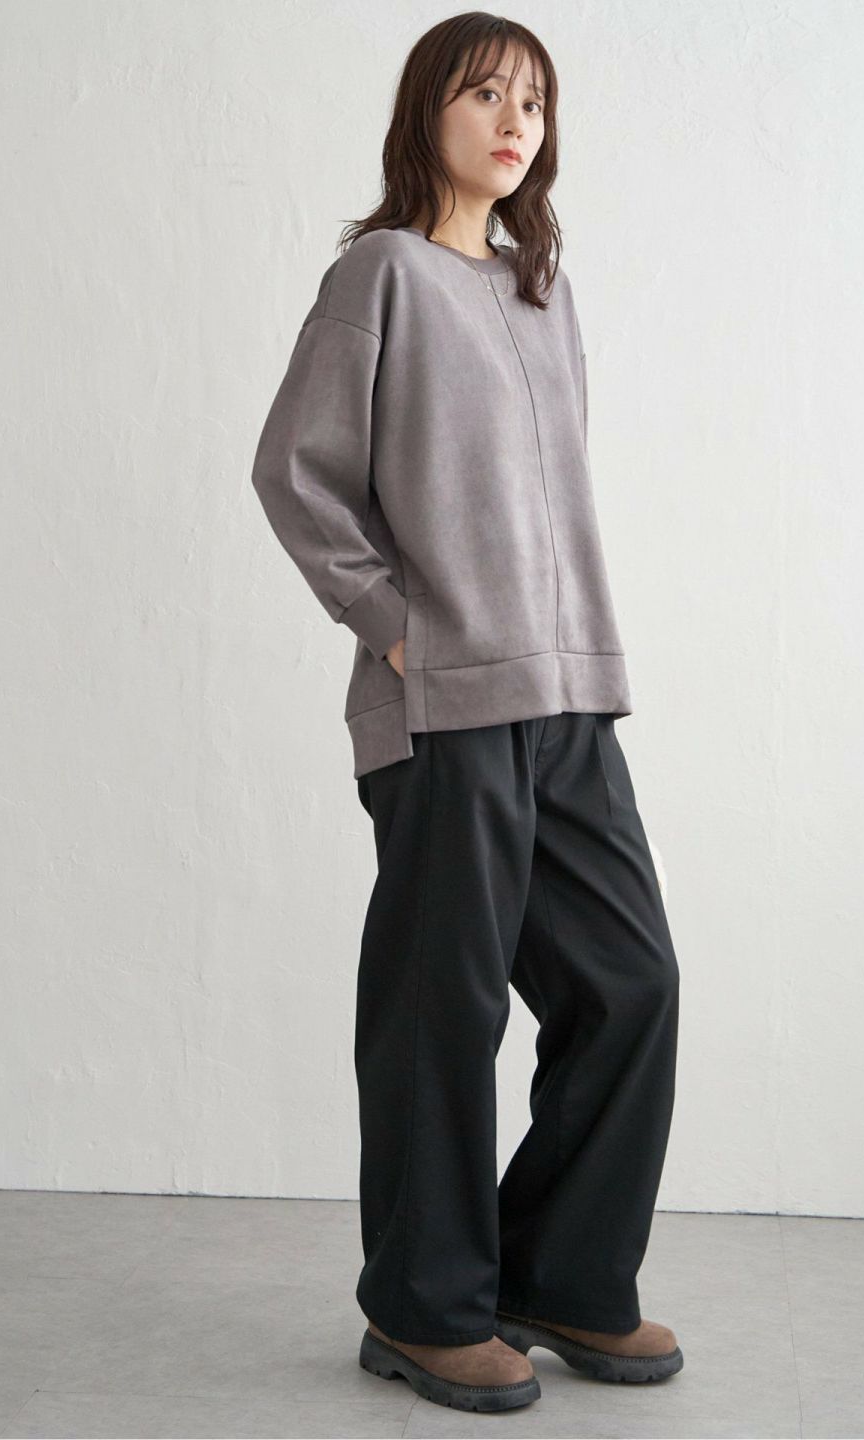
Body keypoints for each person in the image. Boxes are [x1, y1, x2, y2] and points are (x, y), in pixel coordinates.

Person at [250, 13, 682, 1414]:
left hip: (570, 694)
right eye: (486, 93)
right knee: (444, 1009)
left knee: (629, 985)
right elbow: (296, 471)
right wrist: (394, 629)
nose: (514, 122)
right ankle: (423, 1307)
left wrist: (576, 661)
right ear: (427, 109)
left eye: (534, 104)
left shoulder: (541, 291)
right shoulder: (379, 274)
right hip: (442, 706)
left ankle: (558, 1274)